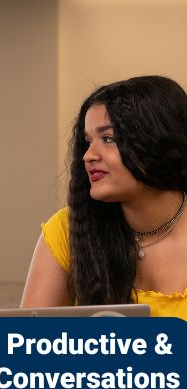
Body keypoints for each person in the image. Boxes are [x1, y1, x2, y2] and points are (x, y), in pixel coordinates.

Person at [21, 75, 187, 320]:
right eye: (88, 142)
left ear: (159, 140)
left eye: (108, 139)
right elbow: (23, 344)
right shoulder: (66, 229)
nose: (88, 155)